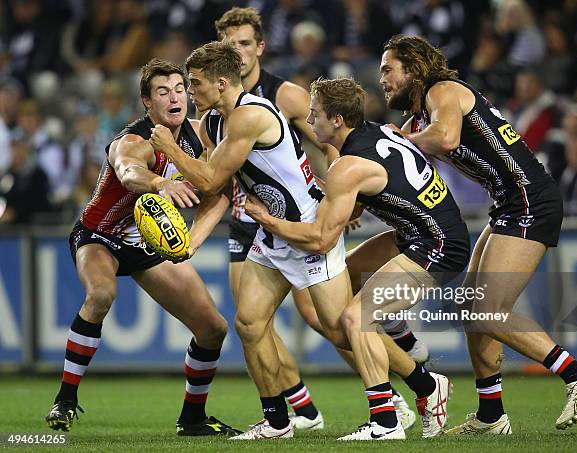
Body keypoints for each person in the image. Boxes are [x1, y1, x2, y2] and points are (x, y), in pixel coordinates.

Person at [149, 41, 439, 440]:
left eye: (195, 84)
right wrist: (189, 230)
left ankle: (426, 385)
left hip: (306, 230)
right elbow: (213, 183)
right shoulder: (213, 121)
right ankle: (276, 421)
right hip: (271, 232)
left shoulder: (250, 115)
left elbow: (211, 179)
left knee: (342, 330)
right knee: (249, 324)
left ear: (220, 82)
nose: (189, 91)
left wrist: (167, 149)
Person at [380, 34, 577, 433]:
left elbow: (447, 137)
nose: (382, 79)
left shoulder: (442, 91)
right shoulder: (416, 121)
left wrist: (404, 141)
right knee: (472, 310)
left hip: (529, 199)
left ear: (413, 69)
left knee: (487, 308)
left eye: (388, 70)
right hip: (508, 204)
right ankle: (490, 414)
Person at [213, 6, 423, 430]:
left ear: (260, 47)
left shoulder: (286, 95)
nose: (236, 52)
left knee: (328, 320)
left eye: (243, 43)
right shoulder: (216, 108)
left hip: (299, 219)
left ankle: (415, 384)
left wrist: (340, 199)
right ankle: (299, 409)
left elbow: (330, 142)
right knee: (252, 322)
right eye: (228, 45)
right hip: (247, 221)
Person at [244, 77, 470, 440]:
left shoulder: (347, 166)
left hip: (437, 244)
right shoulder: (378, 133)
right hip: (420, 232)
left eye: (315, 114)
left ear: (336, 120)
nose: (309, 120)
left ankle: (386, 421)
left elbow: (319, 240)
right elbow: (379, 186)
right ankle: (418, 369)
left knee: (355, 316)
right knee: (342, 277)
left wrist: (269, 220)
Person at [45, 58, 240, 437]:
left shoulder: (199, 135)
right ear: (146, 103)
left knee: (213, 328)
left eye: (180, 89)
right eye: (163, 92)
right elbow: (128, 171)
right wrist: (158, 184)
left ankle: (193, 419)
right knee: (101, 294)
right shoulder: (134, 140)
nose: (175, 97)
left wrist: (193, 241)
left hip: (144, 242)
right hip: (98, 235)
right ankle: (65, 399)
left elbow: (219, 194)